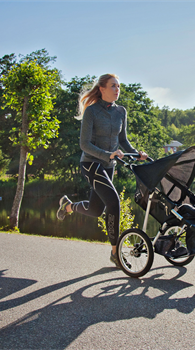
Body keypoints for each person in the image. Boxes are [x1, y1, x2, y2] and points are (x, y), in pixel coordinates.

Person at [56, 73, 148, 268]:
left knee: (96, 210)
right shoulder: (92, 112)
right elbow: (84, 144)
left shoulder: (121, 111)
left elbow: (123, 141)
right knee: (113, 202)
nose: (117, 90)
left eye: (118, 86)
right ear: (102, 89)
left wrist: (136, 154)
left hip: (108, 166)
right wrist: (108, 154)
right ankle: (116, 253)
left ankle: (68, 206)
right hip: (91, 164)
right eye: (113, 86)